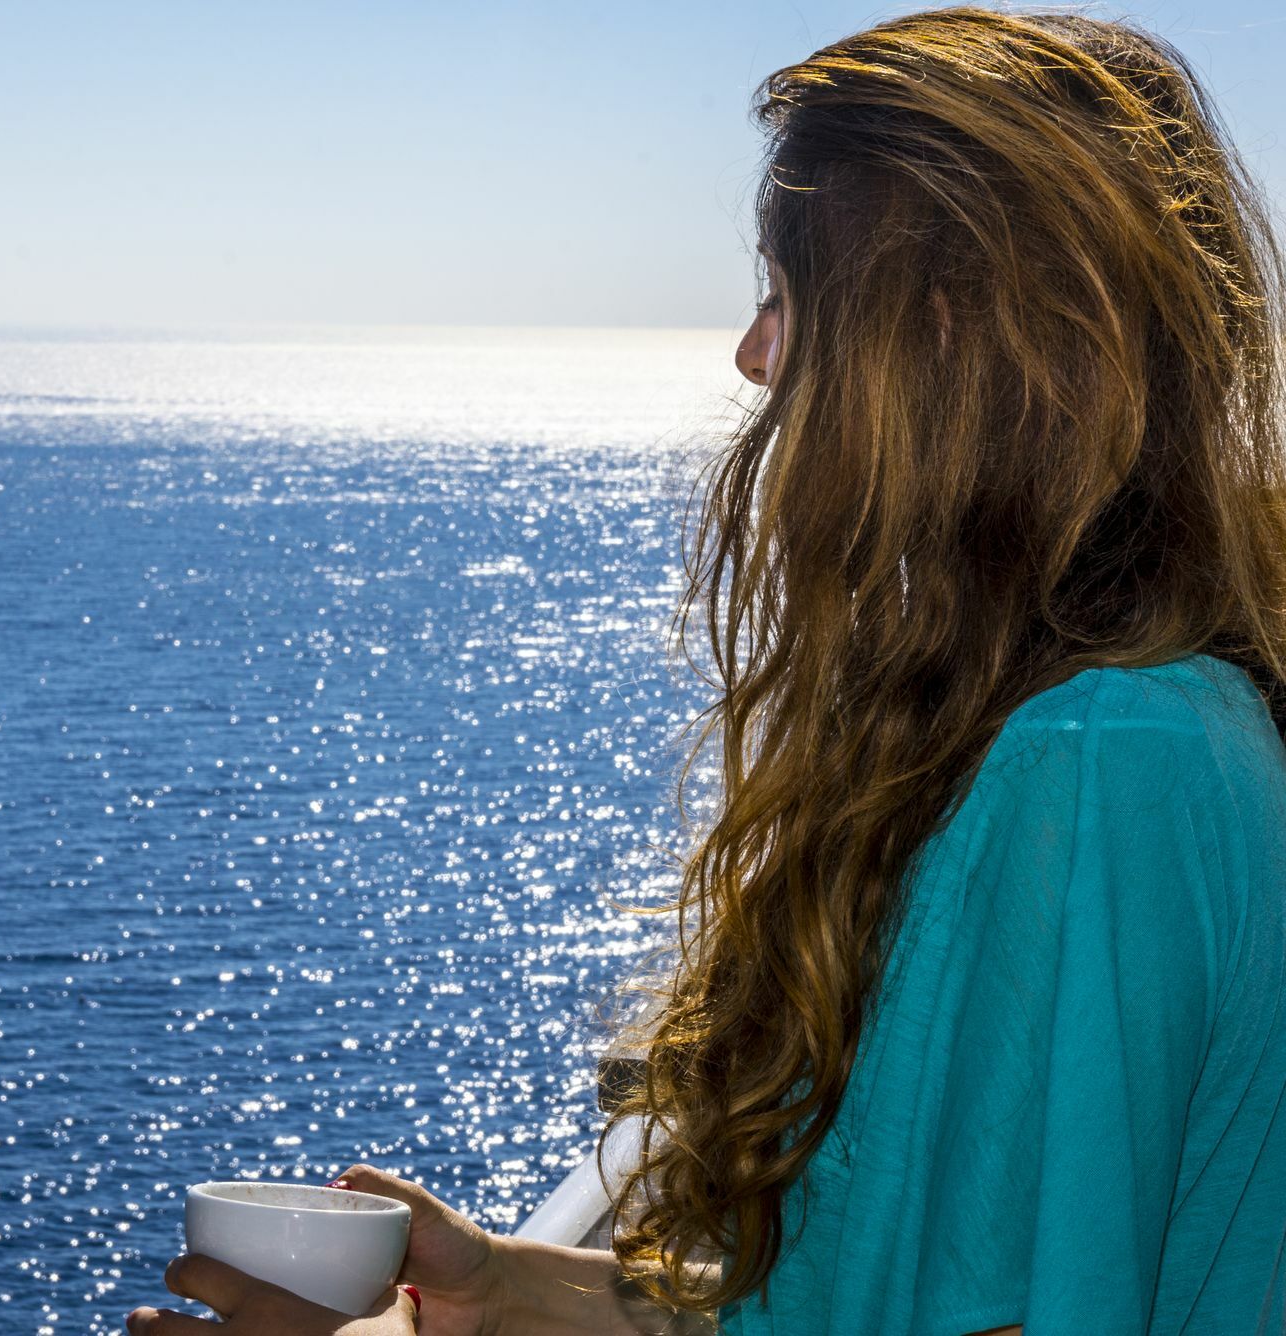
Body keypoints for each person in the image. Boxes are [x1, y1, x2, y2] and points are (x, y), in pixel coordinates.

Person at [128, 6, 1286, 1333]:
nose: (754, 356)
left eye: (790, 300)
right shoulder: (1100, 723)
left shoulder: (1095, 769)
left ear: (949, 340)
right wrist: (507, 1289)